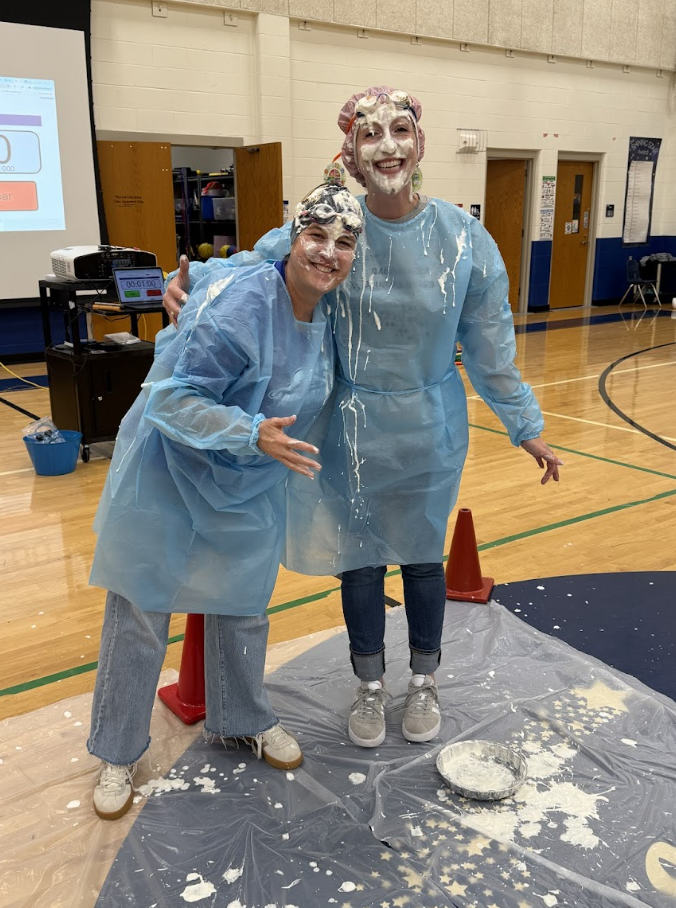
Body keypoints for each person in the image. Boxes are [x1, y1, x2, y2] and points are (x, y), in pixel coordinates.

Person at [163, 86, 563, 753]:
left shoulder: (465, 240)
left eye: (400, 129)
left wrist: (526, 426)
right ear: (349, 152)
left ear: (422, 142)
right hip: (348, 428)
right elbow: (254, 265)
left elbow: (492, 348)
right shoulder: (335, 228)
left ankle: (425, 682)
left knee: (422, 559)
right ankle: (371, 685)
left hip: (430, 429)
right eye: (370, 134)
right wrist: (191, 286)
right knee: (361, 564)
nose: (388, 146)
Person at [86, 184, 363, 820]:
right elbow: (170, 399)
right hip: (169, 469)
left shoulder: (325, 311)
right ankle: (117, 750)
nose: (328, 253)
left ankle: (241, 717)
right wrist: (248, 431)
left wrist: (256, 445)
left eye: (344, 244)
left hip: (246, 479)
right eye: (316, 238)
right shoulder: (245, 305)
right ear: (293, 240)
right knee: (140, 610)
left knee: (243, 601)